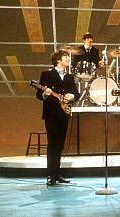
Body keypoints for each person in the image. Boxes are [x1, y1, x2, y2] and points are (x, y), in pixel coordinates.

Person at [36, 49, 80, 186]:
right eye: (65, 56)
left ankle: (57, 173)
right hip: (51, 113)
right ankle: (50, 175)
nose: (68, 59)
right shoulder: (47, 74)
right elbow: (39, 94)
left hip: (64, 113)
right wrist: (46, 94)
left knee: (60, 145)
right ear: (58, 60)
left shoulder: (69, 77)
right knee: (52, 144)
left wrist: (72, 96)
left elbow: (76, 94)